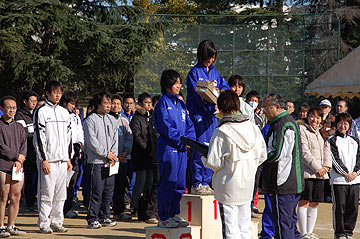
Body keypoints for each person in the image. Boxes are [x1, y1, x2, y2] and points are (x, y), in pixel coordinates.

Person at [202, 90, 267, 239]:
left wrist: (204, 156)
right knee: (244, 227)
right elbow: (263, 155)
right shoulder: (254, 128)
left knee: (230, 229)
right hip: (247, 184)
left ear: (221, 108)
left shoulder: (221, 132)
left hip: (227, 186)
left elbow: (214, 162)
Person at [186, 39, 229, 195]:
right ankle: (197, 183)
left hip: (212, 116)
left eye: (213, 57)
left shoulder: (214, 71)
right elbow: (195, 95)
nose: (211, 60)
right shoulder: (194, 72)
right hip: (199, 115)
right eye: (208, 57)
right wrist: (210, 101)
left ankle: (206, 181)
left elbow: (224, 86)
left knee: (212, 149)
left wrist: (221, 95)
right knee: (200, 148)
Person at [154, 69, 196, 227]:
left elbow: (189, 125)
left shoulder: (181, 103)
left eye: (179, 82)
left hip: (181, 150)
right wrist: (181, 139)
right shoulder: (163, 103)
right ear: (167, 84)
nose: (179, 85)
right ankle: (164, 217)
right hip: (168, 149)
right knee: (168, 182)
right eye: (176, 82)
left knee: (180, 183)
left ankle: (174, 213)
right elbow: (165, 126)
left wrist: (189, 140)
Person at [261, 93, 304, 239]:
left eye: (265, 108)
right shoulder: (286, 122)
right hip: (291, 183)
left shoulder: (283, 124)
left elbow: (275, 153)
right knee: (290, 224)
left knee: (283, 225)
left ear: (277, 107)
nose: (263, 111)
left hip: (283, 183)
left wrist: (256, 157)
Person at [33, 81, 73, 233]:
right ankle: (44, 222)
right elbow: (39, 137)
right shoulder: (41, 112)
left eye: (59, 93)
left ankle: (57, 221)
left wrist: (69, 158)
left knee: (61, 193)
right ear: (47, 93)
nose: (57, 95)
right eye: (54, 92)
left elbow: (69, 137)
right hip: (48, 160)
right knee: (47, 192)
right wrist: (44, 159)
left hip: (63, 160)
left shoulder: (64, 112)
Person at [83, 91, 118, 229]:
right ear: (98, 104)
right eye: (106, 103)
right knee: (96, 190)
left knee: (108, 191)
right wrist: (105, 154)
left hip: (110, 161)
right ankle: (92, 218)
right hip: (96, 162)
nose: (109, 106)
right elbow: (92, 142)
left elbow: (116, 139)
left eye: (110, 103)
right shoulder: (90, 120)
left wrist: (113, 154)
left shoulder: (112, 119)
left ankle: (105, 216)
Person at [297, 107, 332, 239]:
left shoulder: (322, 133)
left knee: (315, 203)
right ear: (308, 116)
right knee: (304, 202)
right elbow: (305, 153)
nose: (315, 120)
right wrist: (318, 168)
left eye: (318, 117)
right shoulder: (302, 130)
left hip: (321, 175)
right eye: (312, 116)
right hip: (308, 173)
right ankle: (303, 233)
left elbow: (327, 151)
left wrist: (326, 167)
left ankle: (310, 232)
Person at [329, 113, 360, 239]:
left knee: (353, 206)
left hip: (355, 180)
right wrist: (345, 173)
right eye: (340, 123)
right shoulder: (332, 140)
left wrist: (355, 173)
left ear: (350, 125)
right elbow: (334, 159)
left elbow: (359, 159)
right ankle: (340, 233)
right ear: (336, 125)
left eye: (345, 124)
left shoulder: (355, 140)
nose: (343, 126)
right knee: (339, 207)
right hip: (339, 180)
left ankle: (348, 231)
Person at [0, 96, 27, 237]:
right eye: (9, 107)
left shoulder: (20, 127)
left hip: (17, 166)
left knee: (16, 196)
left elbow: (24, 145)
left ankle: (11, 225)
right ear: (2, 109)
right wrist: (15, 156)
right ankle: (0, 226)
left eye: (14, 108)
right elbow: (1, 147)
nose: (11, 110)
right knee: (3, 196)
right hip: (3, 165)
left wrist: (20, 159)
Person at [60, 91, 84, 218]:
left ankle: (68, 207)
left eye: (75, 104)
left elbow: (80, 131)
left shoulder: (75, 116)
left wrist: (79, 144)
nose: (73, 106)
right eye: (71, 103)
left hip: (74, 153)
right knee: (61, 183)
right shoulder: (60, 114)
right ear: (65, 103)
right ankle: (59, 209)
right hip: (63, 153)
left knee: (71, 182)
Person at [130, 93, 154, 218]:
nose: (149, 105)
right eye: (146, 102)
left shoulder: (152, 117)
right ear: (140, 103)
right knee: (140, 182)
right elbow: (137, 136)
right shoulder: (137, 118)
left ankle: (146, 207)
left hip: (151, 155)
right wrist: (147, 149)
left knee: (150, 183)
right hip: (140, 155)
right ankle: (134, 206)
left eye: (150, 102)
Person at [109, 94, 133, 221]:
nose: (116, 106)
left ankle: (119, 211)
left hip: (122, 159)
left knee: (120, 185)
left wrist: (125, 152)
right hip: (109, 159)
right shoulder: (106, 119)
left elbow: (129, 137)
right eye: (114, 103)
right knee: (108, 186)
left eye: (118, 104)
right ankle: (105, 212)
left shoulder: (124, 120)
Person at [15, 90, 38, 212]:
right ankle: (29, 202)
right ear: (25, 101)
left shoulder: (37, 114)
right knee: (28, 178)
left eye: (35, 101)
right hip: (27, 152)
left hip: (37, 152)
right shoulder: (20, 115)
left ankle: (35, 201)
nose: (34, 104)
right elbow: (23, 133)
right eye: (32, 101)